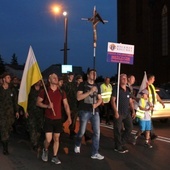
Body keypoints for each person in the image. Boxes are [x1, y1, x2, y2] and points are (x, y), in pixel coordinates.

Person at [36, 73, 71, 165]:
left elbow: (66, 105)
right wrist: (47, 106)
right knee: (48, 139)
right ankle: (45, 149)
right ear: (49, 80)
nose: (56, 78)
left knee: (56, 138)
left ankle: (55, 156)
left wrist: (69, 116)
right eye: (53, 77)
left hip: (58, 119)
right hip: (48, 118)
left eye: (56, 77)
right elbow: (38, 103)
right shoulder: (45, 91)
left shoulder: (61, 92)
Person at [74, 69, 104, 160]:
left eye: (95, 73)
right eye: (92, 73)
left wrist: (96, 104)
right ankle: (77, 143)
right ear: (88, 75)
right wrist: (90, 92)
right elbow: (78, 97)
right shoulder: (83, 84)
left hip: (95, 111)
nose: (94, 75)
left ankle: (95, 152)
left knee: (97, 132)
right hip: (84, 110)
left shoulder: (97, 86)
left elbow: (100, 99)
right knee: (82, 131)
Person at [111, 73, 136, 153]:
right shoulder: (116, 89)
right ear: (119, 80)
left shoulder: (128, 90)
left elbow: (131, 101)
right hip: (119, 113)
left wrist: (133, 110)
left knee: (130, 128)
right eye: (122, 78)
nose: (124, 79)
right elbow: (112, 101)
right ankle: (118, 147)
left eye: (125, 78)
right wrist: (115, 112)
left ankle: (121, 143)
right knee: (118, 130)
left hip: (126, 113)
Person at [0, 72, 19, 155]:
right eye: (8, 77)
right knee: (3, 130)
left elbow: (15, 101)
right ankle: (5, 148)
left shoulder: (12, 90)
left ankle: (5, 142)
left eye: (9, 77)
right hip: (1, 114)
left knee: (7, 130)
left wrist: (17, 111)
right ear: (4, 79)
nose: (9, 79)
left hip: (10, 114)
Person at [25, 80, 44, 151]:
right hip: (31, 112)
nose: (38, 82)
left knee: (39, 128)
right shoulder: (30, 90)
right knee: (32, 128)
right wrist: (25, 110)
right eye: (37, 81)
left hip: (40, 113)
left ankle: (36, 140)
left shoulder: (43, 91)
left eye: (39, 81)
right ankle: (34, 143)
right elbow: (26, 100)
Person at [147, 74, 165, 140]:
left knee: (148, 120)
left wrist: (161, 102)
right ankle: (152, 134)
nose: (154, 80)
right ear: (151, 78)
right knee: (149, 120)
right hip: (147, 106)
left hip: (152, 107)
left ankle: (144, 132)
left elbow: (156, 95)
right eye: (154, 79)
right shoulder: (146, 86)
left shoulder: (152, 86)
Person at [63, 72, 78, 139]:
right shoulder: (65, 84)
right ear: (68, 76)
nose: (72, 76)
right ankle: (60, 129)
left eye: (73, 75)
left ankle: (72, 131)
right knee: (64, 117)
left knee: (73, 119)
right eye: (71, 75)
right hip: (67, 103)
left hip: (74, 104)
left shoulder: (75, 84)